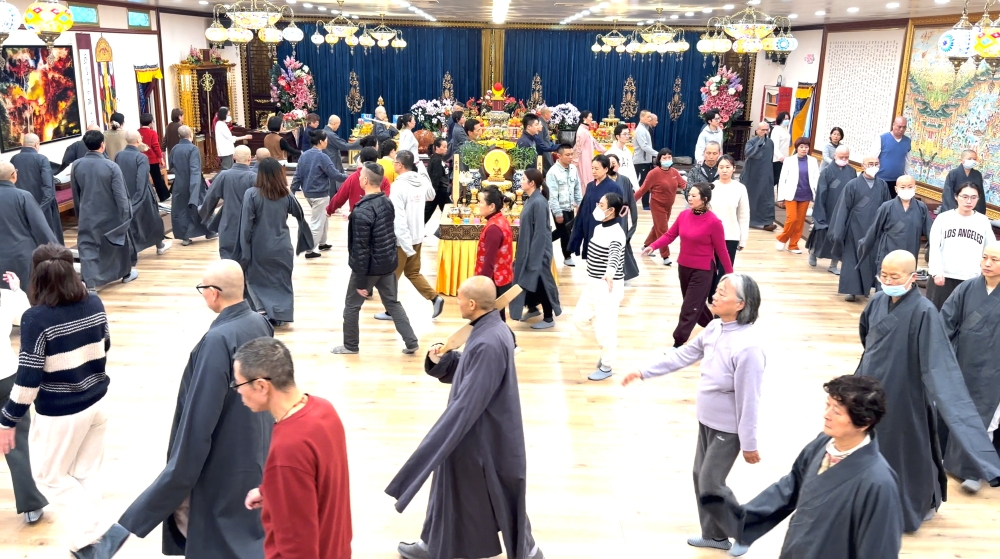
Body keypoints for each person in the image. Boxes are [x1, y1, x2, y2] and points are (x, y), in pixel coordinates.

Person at [114, 259, 274, 559]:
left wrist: (170, 483)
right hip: (256, 446)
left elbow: (199, 424)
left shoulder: (217, 341)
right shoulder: (260, 322)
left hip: (222, 460)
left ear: (213, 293)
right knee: (248, 531)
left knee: (219, 536)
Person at [386, 276, 545, 559]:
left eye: (459, 298)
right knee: (469, 488)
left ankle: (527, 550)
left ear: (472, 304)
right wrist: (442, 360)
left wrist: (437, 442)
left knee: (492, 490)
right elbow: (471, 371)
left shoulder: (489, 341)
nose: (456, 303)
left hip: (481, 432)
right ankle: (432, 544)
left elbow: (469, 399)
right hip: (483, 425)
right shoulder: (492, 329)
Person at [855, 250, 1000, 532]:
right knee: (869, 447)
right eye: (883, 275)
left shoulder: (923, 310)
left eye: (894, 276)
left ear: (912, 278)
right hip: (872, 388)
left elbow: (935, 351)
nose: (887, 280)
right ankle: (866, 503)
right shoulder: (875, 302)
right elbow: (867, 337)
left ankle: (917, 503)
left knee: (910, 447)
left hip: (908, 389)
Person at [621, 273, 764, 556]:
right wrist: (644, 371)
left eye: (723, 293)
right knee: (700, 475)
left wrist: (749, 443)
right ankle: (715, 536)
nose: (715, 295)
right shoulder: (714, 328)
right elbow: (683, 355)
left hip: (729, 430)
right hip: (707, 421)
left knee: (712, 481)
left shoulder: (748, 348)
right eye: (718, 290)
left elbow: (750, 400)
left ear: (740, 304)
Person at [0, 243, 126, 558]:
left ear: (37, 277)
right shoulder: (95, 303)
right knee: (85, 474)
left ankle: (97, 534)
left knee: (48, 476)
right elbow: (105, 345)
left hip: (61, 413)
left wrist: (7, 421)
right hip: (97, 402)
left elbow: (28, 380)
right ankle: (83, 546)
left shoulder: (36, 319)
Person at [701, 376, 903, 559]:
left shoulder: (878, 482)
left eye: (837, 411)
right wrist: (740, 518)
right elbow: (790, 487)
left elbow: (879, 549)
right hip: (798, 548)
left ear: (864, 422)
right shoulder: (822, 443)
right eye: (828, 405)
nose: (826, 415)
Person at [235, 338, 352, 559]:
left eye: (239, 385)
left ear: (261, 385)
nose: (238, 392)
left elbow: (298, 548)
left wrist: (282, 479)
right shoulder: (324, 410)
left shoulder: (288, 450)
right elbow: (317, 481)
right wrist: (271, 490)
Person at [331, 162, 419, 355]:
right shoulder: (387, 202)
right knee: (393, 303)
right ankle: (411, 341)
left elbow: (361, 248)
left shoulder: (362, 210)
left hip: (369, 267)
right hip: (387, 263)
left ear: (364, 180)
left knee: (352, 307)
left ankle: (350, 345)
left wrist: (361, 282)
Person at [940, 242, 1000, 494]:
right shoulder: (967, 288)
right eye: (984, 257)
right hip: (963, 362)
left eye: (994, 259)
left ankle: (975, 470)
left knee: (985, 420)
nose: (987, 263)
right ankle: (952, 462)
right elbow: (945, 320)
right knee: (959, 413)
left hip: (994, 370)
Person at [644, 184, 733, 348]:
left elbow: (721, 250)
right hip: (684, 267)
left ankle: (678, 343)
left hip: (703, 271)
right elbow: (670, 235)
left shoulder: (714, 222)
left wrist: (730, 274)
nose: (689, 198)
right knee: (695, 306)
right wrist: (653, 246)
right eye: (689, 195)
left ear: (704, 199)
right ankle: (719, 331)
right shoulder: (684, 215)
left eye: (693, 196)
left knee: (689, 308)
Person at [236, 158, 314, 327]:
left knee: (254, 280)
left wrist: (244, 252)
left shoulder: (252, 194)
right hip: (282, 246)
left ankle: (262, 311)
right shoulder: (286, 194)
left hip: (260, 246)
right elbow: (299, 214)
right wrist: (304, 238)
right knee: (281, 282)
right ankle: (280, 314)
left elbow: (245, 227)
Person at [0, 270, 48, 525]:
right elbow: (24, 317)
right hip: (6, 376)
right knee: (17, 442)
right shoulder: (6, 298)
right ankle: (31, 504)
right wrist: (18, 291)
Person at [375, 151, 444, 321]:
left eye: (394, 163)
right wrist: (422, 171)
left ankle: (391, 311)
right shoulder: (420, 180)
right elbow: (431, 194)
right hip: (417, 236)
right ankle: (435, 298)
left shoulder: (398, 186)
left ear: (399, 165)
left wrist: (405, 246)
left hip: (402, 240)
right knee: (412, 273)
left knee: (390, 277)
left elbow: (398, 219)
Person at [71, 129, 136, 289]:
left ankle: (91, 284)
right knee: (115, 245)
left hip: (87, 213)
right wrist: (126, 216)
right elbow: (121, 196)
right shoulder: (111, 167)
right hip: (110, 214)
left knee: (88, 247)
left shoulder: (77, 165)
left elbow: (76, 193)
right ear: (103, 145)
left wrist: (80, 214)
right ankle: (125, 274)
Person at [574, 192, 628, 381]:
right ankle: (609, 346)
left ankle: (607, 364)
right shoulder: (599, 228)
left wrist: (610, 272)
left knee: (605, 328)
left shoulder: (617, 233)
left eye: (602, 204)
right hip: (593, 283)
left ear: (611, 210)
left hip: (608, 286)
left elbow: (614, 253)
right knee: (579, 320)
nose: (598, 207)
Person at [830, 156, 891, 301]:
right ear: (863, 166)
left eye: (876, 164)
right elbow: (843, 208)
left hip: (875, 229)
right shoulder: (852, 185)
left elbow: (888, 207)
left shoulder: (882, 185)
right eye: (870, 164)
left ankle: (873, 289)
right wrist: (838, 231)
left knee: (873, 259)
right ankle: (851, 290)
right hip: (855, 227)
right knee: (853, 258)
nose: (874, 166)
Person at [926, 184, 994, 309]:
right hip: (945, 277)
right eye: (965, 196)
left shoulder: (983, 221)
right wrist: (936, 271)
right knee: (939, 315)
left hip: (972, 278)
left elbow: (991, 249)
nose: (969, 201)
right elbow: (934, 247)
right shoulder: (943, 218)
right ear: (956, 197)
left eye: (974, 197)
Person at [510, 168, 561, 328]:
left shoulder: (539, 202)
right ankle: (532, 307)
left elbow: (540, 232)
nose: (521, 181)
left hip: (537, 250)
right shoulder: (531, 199)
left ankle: (548, 317)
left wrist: (534, 256)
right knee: (526, 278)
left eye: (523, 179)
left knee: (540, 281)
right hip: (528, 247)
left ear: (532, 183)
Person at [858, 175, 931, 283]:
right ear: (896, 189)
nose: (906, 189)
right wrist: (864, 245)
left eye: (910, 187)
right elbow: (874, 229)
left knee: (906, 283)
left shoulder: (921, 207)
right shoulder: (886, 206)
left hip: (910, 252)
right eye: (903, 187)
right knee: (886, 282)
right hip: (888, 251)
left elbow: (930, 231)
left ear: (915, 188)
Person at [291, 128, 348, 259]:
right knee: (317, 222)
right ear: (321, 141)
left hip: (308, 193)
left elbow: (297, 175)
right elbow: (334, 174)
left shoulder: (304, 155)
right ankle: (310, 250)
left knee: (323, 217)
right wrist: (350, 177)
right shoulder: (323, 157)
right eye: (326, 140)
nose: (327, 142)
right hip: (320, 194)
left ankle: (322, 243)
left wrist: (293, 191)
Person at [0, 162, 58, 289]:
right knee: (27, 294)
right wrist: (57, 250)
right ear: (13, 175)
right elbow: (40, 227)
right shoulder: (22, 196)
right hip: (22, 256)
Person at [114, 130, 170, 259]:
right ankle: (159, 246)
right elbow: (142, 179)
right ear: (138, 140)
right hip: (142, 193)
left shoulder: (119, 155)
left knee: (133, 222)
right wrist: (138, 198)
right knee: (152, 220)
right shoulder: (141, 157)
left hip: (125, 193)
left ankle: (135, 249)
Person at [199, 146, 258, 259]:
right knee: (249, 257)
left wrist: (204, 214)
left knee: (227, 257)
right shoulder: (254, 177)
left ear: (234, 157)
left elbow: (211, 197)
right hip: (250, 222)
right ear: (250, 158)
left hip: (228, 220)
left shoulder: (224, 175)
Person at [807, 145, 856, 273]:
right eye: (841, 157)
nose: (844, 159)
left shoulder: (852, 172)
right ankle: (813, 253)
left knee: (839, 237)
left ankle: (833, 265)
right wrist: (819, 212)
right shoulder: (827, 171)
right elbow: (821, 194)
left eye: (846, 157)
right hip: (828, 208)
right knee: (821, 234)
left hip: (844, 210)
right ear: (835, 156)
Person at [636, 147, 685, 266]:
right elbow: (643, 189)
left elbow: (683, 184)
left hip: (669, 206)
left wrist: (699, 189)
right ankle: (665, 256)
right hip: (657, 205)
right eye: (664, 157)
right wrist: (630, 202)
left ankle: (646, 246)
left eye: (669, 157)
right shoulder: (653, 173)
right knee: (663, 230)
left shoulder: (674, 172)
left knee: (657, 227)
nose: (667, 159)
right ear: (659, 159)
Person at [568, 155, 623, 261]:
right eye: (592, 168)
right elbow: (584, 208)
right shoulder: (590, 186)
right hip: (589, 224)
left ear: (606, 169)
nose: (593, 171)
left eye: (596, 169)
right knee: (590, 255)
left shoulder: (614, 187)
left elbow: (618, 211)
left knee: (603, 256)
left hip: (605, 226)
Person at [11, 133, 63, 244]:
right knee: (49, 241)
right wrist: (39, 210)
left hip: (21, 208)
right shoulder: (41, 159)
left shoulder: (14, 159)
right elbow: (49, 189)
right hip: (42, 206)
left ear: (23, 144)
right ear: (36, 144)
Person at [710, 154, 750, 299]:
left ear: (734, 169)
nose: (724, 170)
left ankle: (719, 296)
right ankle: (709, 295)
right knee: (710, 268)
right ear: (717, 168)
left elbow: (744, 216)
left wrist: (743, 239)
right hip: (711, 237)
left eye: (728, 167)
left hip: (731, 235)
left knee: (725, 271)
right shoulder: (712, 187)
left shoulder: (740, 188)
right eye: (721, 167)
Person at [474, 186, 515, 321]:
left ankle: (507, 341)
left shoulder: (493, 228)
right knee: (498, 318)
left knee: (491, 319)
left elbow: (489, 262)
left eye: (481, 202)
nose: (479, 205)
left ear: (491, 206)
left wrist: (482, 285)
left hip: (494, 281)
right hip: (501, 278)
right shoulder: (500, 220)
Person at [171, 125, 217, 246]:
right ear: (191, 135)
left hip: (179, 184)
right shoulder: (193, 149)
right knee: (200, 207)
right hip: (194, 183)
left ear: (179, 136)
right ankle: (210, 231)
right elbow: (195, 170)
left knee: (182, 210)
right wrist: (195, 187)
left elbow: (171, 165)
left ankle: (186, 237)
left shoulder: (175, 148)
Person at [775, 137, 818, 255]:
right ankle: (782, 238)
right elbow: (782, 179)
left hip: (806, 194)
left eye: (806, 147)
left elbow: (815, 178)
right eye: (801, 147)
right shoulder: (789, 160)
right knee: (792, 219)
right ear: (797, 148)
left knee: (799, 222)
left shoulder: (813, 161)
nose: (804, 149)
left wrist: (816, 193)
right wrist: (780, 197)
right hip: (791, 194)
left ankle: (793, 245)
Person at [326, 147, 391, 215]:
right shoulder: (383, 179)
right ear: (376, 159)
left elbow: (339, 197)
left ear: (360, 159)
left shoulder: (352, 178)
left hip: (356, 216)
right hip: (378, 216)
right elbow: (387, 198)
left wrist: (329, 210)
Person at [547, 143, 583, 266]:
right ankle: (567, 256)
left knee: (566, 230)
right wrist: (557, 212)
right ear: (559, 156)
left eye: (571, 154)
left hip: (569, 206)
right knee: (565, 232)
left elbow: (577, 188)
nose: (570, 157)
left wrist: (580, 204)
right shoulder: (553, 172)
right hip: (559, 207)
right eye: (567, 155)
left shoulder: (573, 169)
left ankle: (544, 241)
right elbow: (552, 195)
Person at [607, 153, 640, 282]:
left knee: (621, 244)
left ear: (618, 165)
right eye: (608, 163)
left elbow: (631, 202)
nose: (611, 166)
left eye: (613, 163)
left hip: (621, 219)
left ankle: (623, 273)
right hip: (607, 219)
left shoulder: (625, 180)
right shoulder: (601, 181)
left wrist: (634, 224)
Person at [743, 121, 777, 231]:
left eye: (767, 130)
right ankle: (749, 220)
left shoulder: (771, 143)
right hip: (752, 174)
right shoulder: (751, 142)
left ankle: (767, 222)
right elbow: (748, 154)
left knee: (766, 198)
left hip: (766, 174)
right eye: (762, 130)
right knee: (751, 197)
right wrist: (759, 142)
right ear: (757, 130)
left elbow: (770, 159)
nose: (765, 132)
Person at [322, 114, 361, 197]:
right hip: (332, 160)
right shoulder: (331, 135)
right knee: (333, 182)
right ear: (334, 124)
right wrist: (359, 142)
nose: (338, 127)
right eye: (338, 124)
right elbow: (344, 146)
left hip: (326, 159)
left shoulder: (324, 131)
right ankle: (332, 203)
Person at [872, 116, 911, 194]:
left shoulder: (907, 141)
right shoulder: (882, 138)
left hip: (898, 182)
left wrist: (907, 178)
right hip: (881, 179)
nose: (901, 129)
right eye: (899, 127)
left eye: (904, 127)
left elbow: (907, 161)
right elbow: (873, 158)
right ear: (894, 125)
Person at [940, 150, 987, 215]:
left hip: (972, 212)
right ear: (962, 160)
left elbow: (980, 195)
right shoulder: (953, 174)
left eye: (974, 159)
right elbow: (948, 195)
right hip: (955, 211)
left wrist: (979, 213)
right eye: (969, 158)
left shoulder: (977, 174)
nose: (972, 161)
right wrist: (953, 212)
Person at [139, 113, 170, 202]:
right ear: (150, 123)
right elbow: (155, 146)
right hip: (152, 159)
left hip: (141, 158)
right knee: (157, 178)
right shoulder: (152, 132)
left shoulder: (137, 132)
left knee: (143, 178)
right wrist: (161, 158)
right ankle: (163, 196)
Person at [571, 110, 606, 191]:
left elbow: (595, 144)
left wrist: (605, 150)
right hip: (583, 159)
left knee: (588, 177)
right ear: (584, 118)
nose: (591, 119)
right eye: (590, 117)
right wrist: (575, 161)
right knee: (584, 179)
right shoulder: (581, 131)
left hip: (588, 157)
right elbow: (578, 146)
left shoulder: (586, 130)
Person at [633, 111, 658, 208]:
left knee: (645, 183)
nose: (650, 119)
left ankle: (644, 203)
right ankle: (635, 201)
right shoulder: (641, 130)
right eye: (648, 117)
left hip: (645, 160)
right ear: (641, 117)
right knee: (640, 183)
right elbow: (644, 146)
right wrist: (657, 154)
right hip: (640, 161)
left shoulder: (645, 129)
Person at [425, 138, 452, 224]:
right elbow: (436, 177)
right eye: (443, 147)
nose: (446, 149)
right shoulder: (436, 160)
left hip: (439, 191)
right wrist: (434, 192)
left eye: (446, 147)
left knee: (428, 213)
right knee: (449, 212)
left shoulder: (438, 158)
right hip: (439, 191)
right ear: (437, 147)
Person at [606, 123, 639, 191]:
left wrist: (636, 188)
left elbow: (632, 171)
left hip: (628, 185)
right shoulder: (610, 153)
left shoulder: (628, 152)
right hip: (615, 187)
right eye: (624, 134)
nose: (627, 136)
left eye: (628, 133)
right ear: (617, 136)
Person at [770, 112, 790, 188]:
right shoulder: (776, 130)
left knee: (782, 180)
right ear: (780, 119)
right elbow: (774, 146)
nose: (787, 120)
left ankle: (780, 198)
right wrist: (780, 156)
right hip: (777, 159)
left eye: (788, 119)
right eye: (785, 119)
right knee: (776, 179)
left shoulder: (785, 129)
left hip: (785, 159)